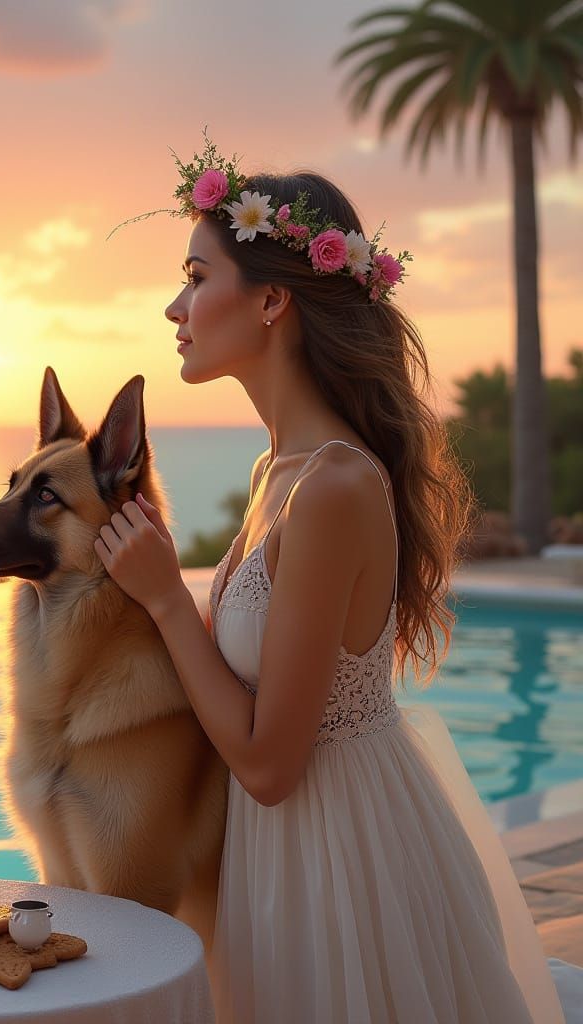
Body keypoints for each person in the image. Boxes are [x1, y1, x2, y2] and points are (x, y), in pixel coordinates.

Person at [94, 134, 566, 1023]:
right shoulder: (276, 473)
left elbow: (271, 764)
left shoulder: (334, 488)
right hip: (276, 854)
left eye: (196, 277)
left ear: (273, 300)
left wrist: (165, 598)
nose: (174, 306)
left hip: (338, 859)